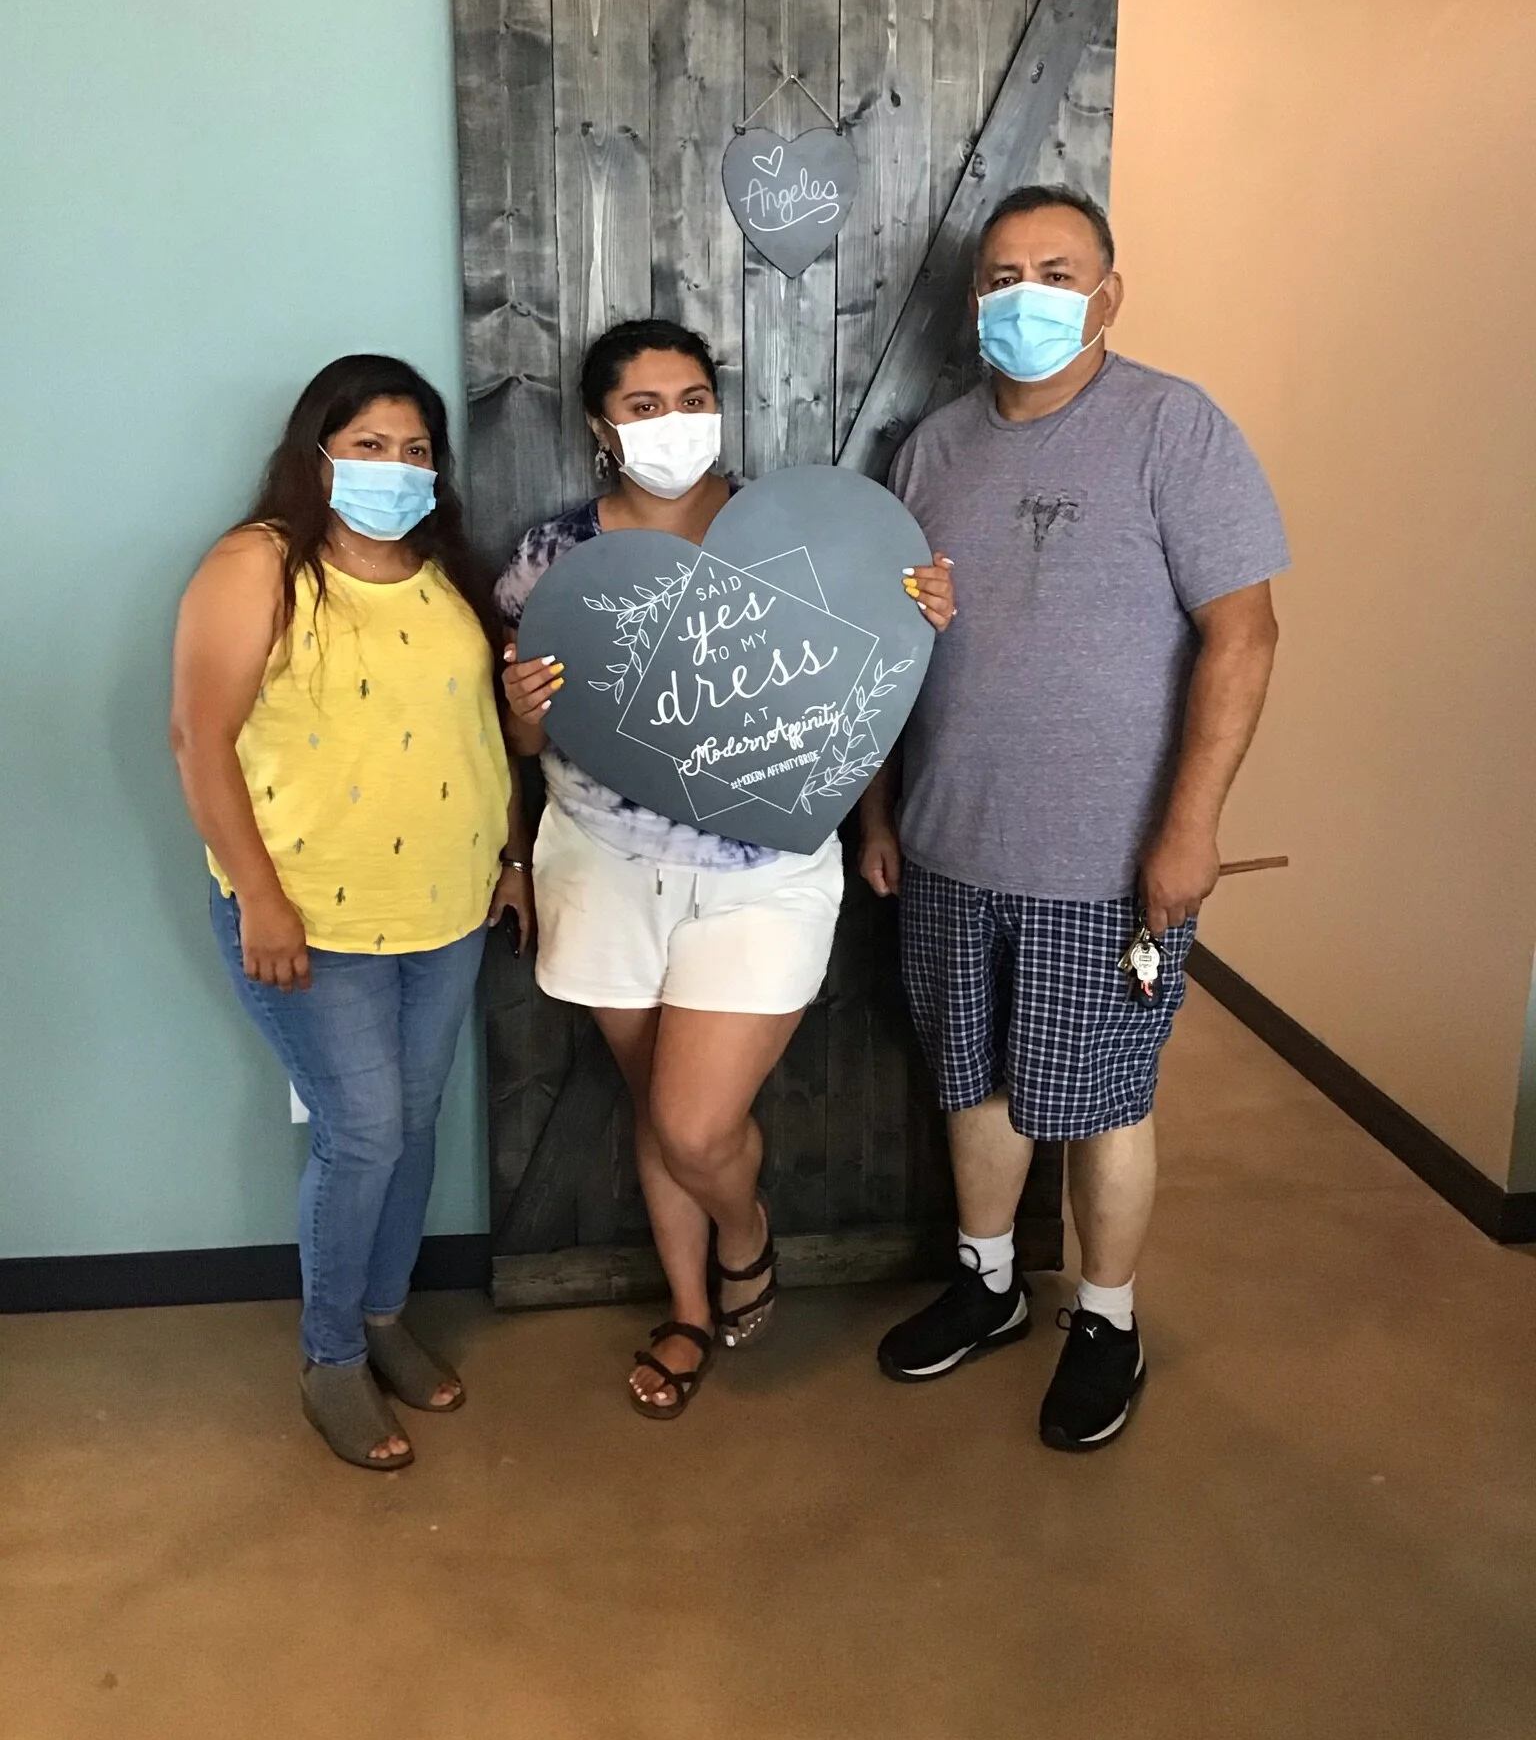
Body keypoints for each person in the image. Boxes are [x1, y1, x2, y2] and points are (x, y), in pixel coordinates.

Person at [860, 185, 1287, 1451]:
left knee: (1105, 1097)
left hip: (1107, 863)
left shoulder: (1174, 427)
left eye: (1056, 269)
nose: (1024, 293)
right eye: (1000, 274)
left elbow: (1245, 632)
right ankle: (988, 1284)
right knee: (973, 1083)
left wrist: (1189, 828)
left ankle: (1107, 1317)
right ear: (972, 298)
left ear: (1109, 291)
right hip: (946, 842)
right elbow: (885, 646)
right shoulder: (930, 450)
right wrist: (883, 809)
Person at [498, 318, 953, 1418]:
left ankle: (747, 1240)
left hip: (764, 869)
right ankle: (690, 1310)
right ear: (602, 426)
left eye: (692, 397)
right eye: (645, 406)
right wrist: (518, 723)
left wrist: (916, 625)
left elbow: (860, 711)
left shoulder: (816, 539)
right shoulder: (548, 562)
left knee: (697, 1123)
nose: (673, 423)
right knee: (660, 1110)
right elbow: (524, 743)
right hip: (601, 865)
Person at [171, 355, 534, 1471]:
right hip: (310, 921)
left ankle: (385, 1317)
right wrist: (263, 901)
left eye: (416, 449)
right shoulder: (259, 565)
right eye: (369, 444)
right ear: (316, 452)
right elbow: (199, 740)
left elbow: (485, 738)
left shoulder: (445, 575)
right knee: (363, 1131)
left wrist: (511, 853)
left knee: (415, 1126)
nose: (395, 466)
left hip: (446, 908)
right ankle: (331, 1356)